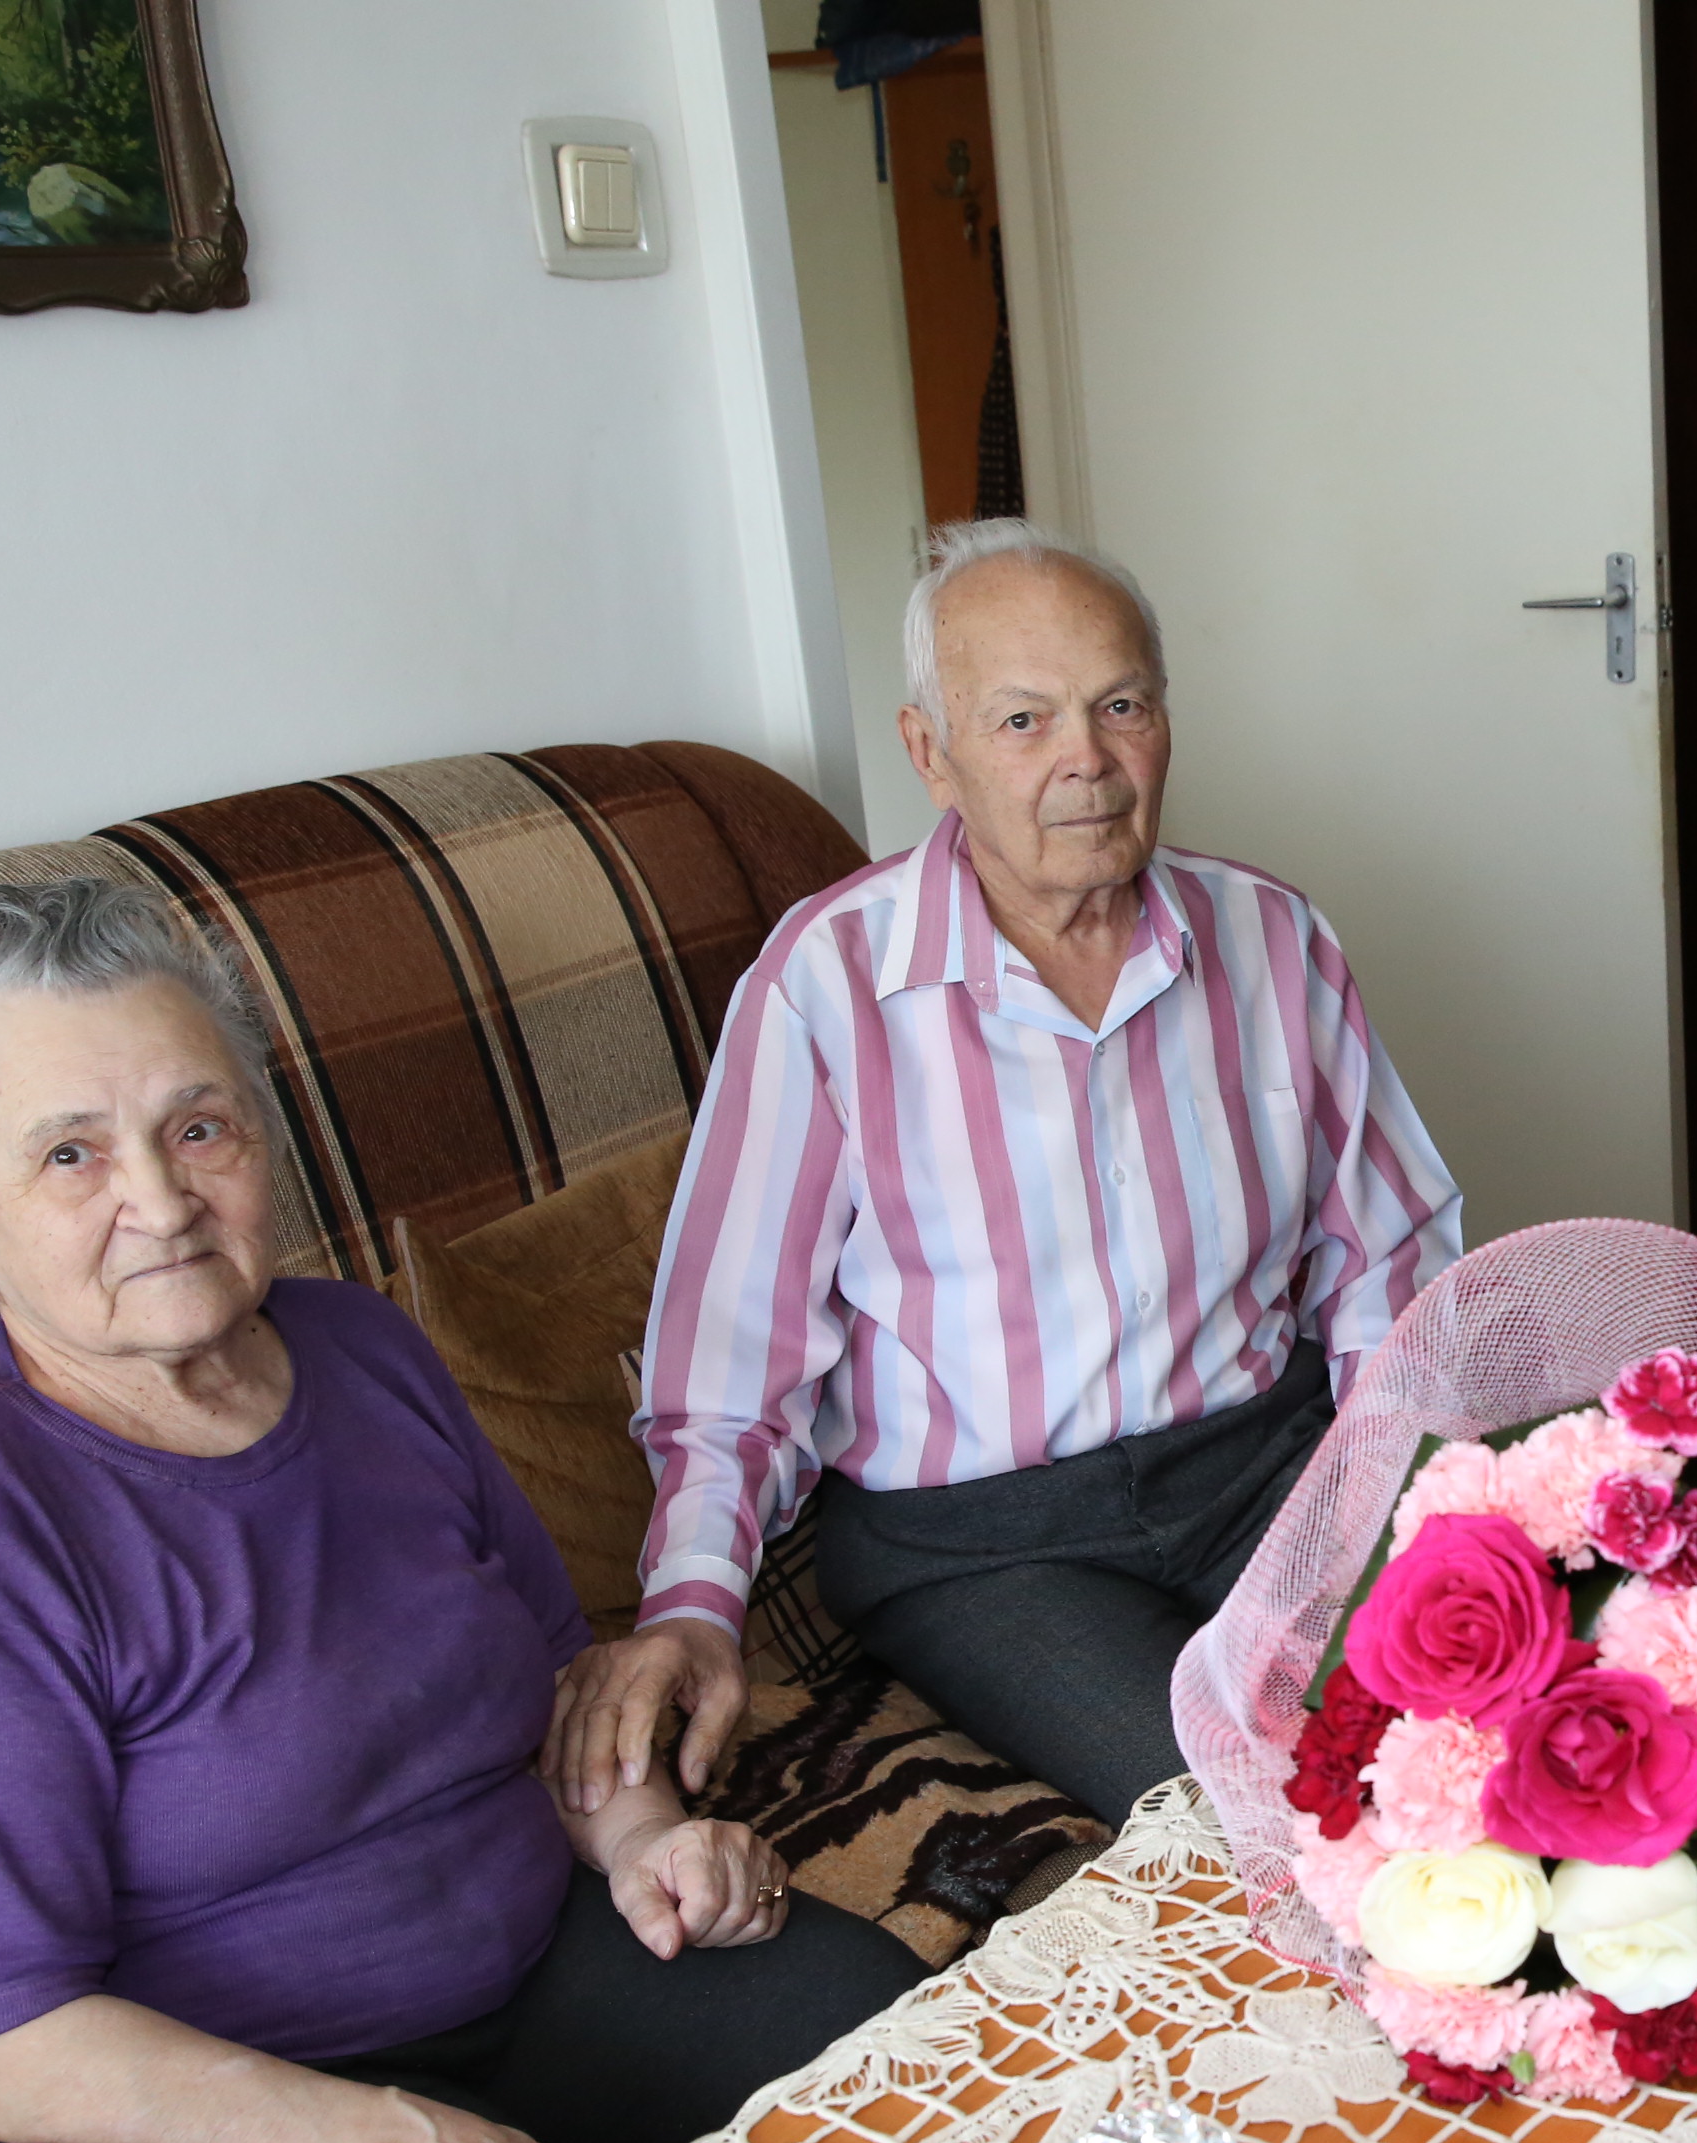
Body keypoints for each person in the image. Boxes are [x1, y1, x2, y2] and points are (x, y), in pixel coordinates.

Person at [0, 880, 929, 2143]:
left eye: (199, 1127)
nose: (161, 1198)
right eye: (70, 1154)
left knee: (900, 2057)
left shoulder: (363, 1349)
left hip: (480, 1975)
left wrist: (648, 1840)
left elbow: (551, 1692)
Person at [554, 521, 1462, 1825]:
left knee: (1501, 1708)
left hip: (1266, 1465)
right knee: (1250, 1812)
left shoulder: (1272, 936)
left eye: (1121, 705)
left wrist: (1385, 1503)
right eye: (1023, 720)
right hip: (980, 1543)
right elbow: (729, 1364)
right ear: (933, 752)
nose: (1086, 758)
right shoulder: (828, 985)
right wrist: (695, 1604)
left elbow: (1395, 1258)